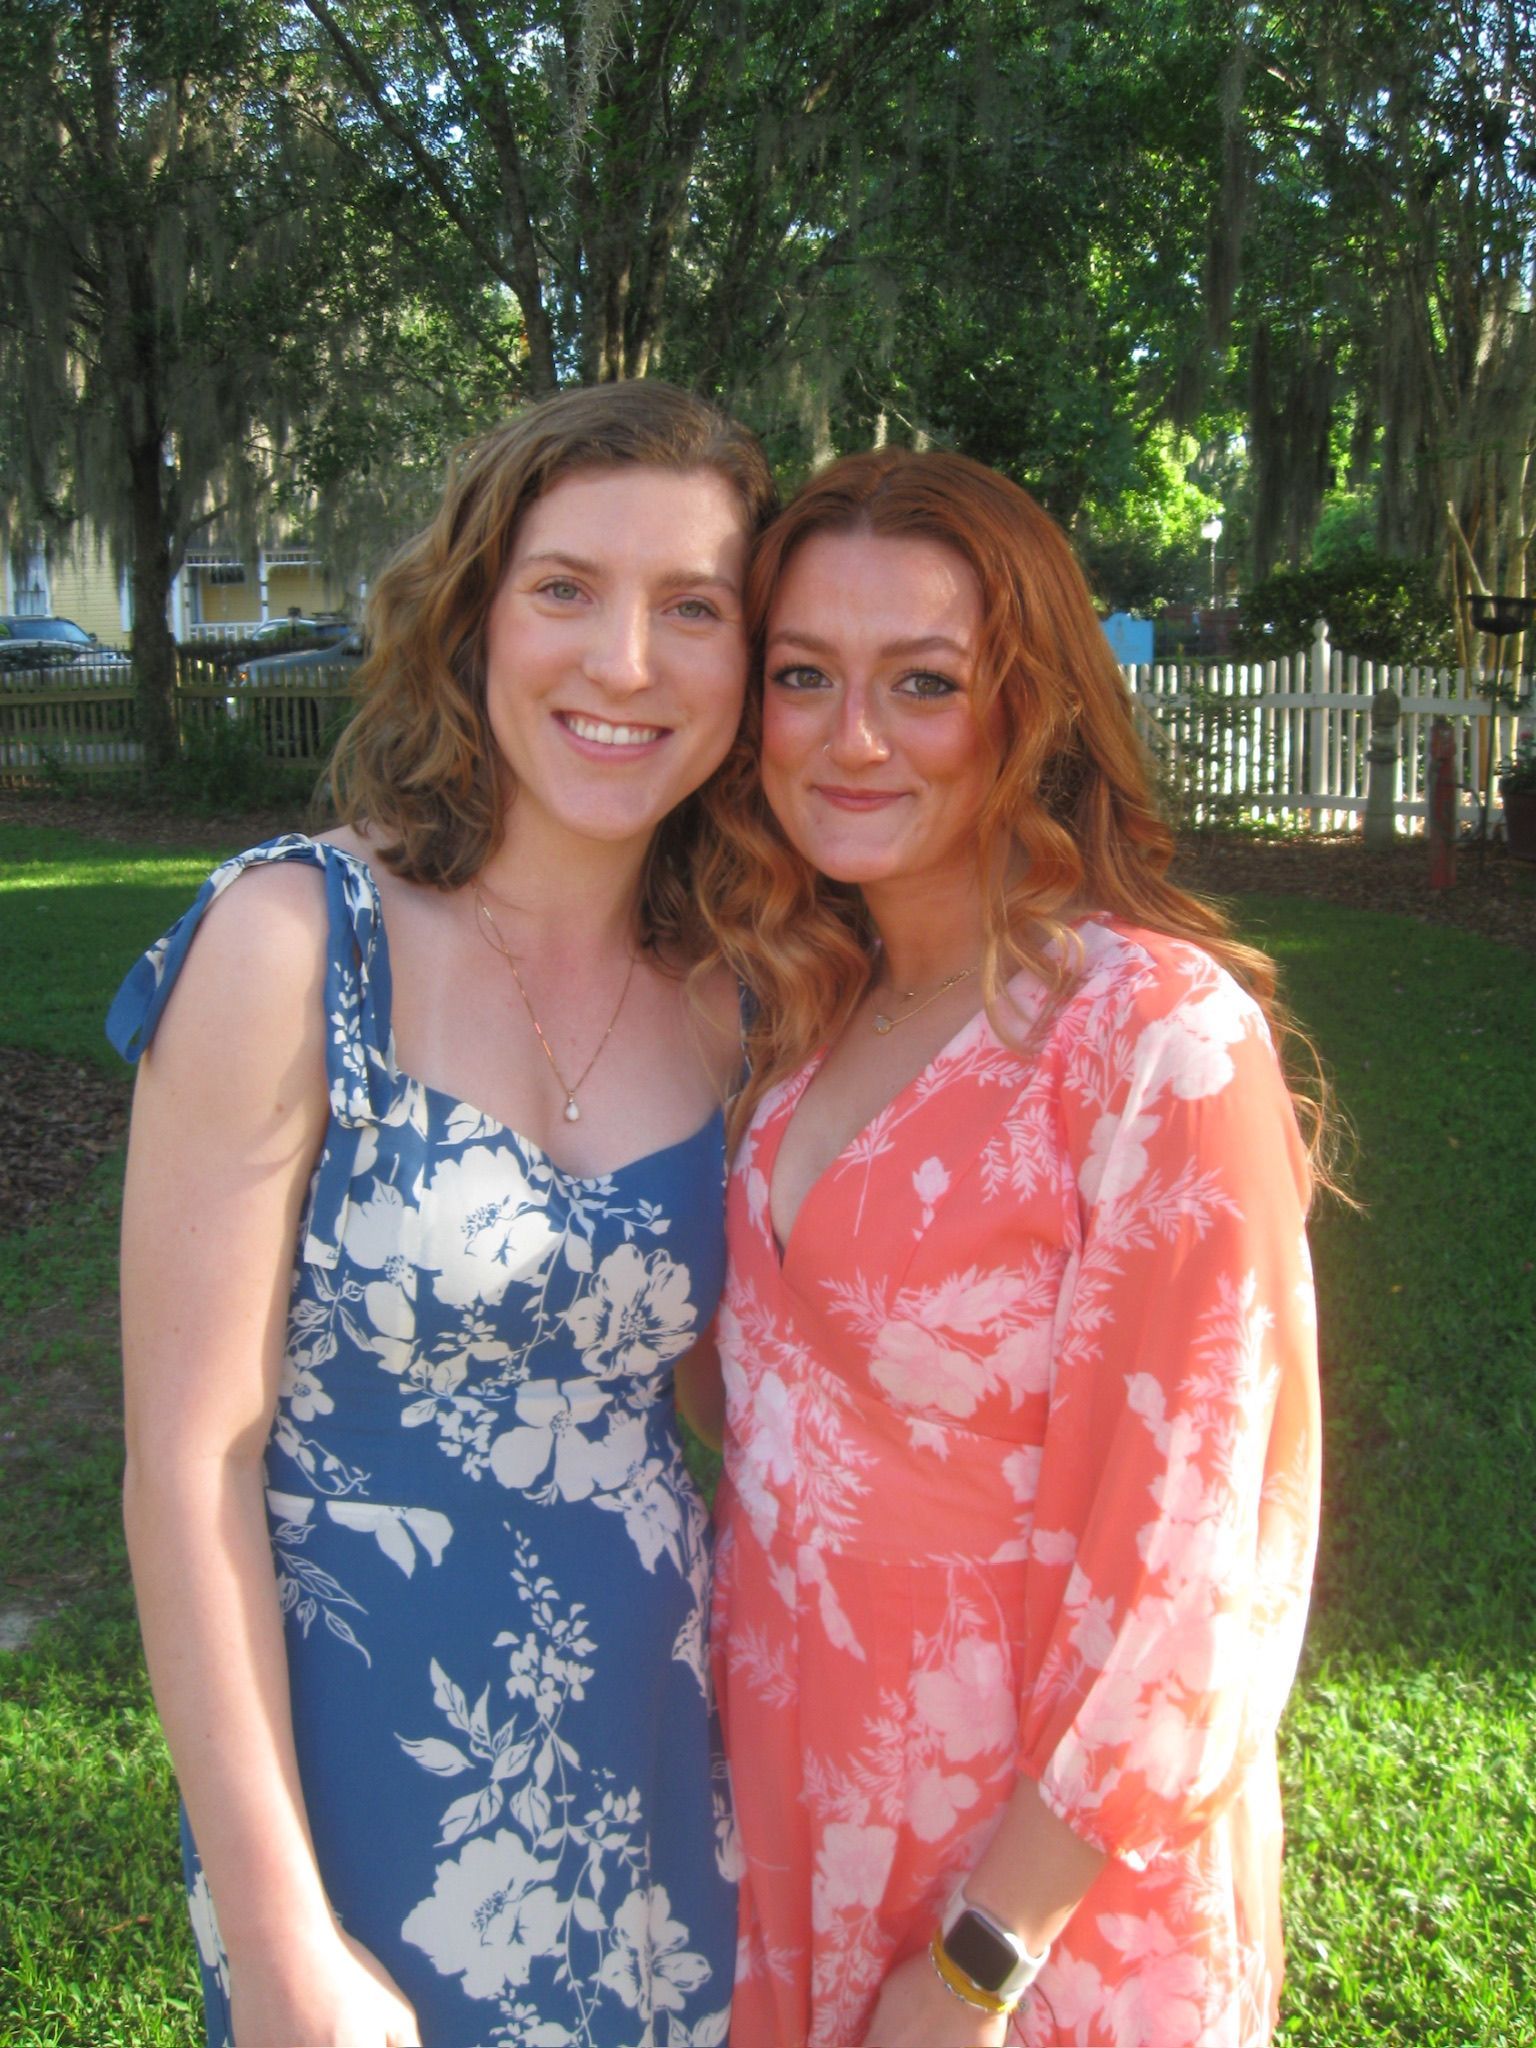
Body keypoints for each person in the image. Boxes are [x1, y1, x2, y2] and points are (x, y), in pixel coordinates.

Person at [107, 382, 776, 2048]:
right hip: (368, 1795)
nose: (626, 662)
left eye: (693, 607)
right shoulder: (293, 941)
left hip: (669, 1765)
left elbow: (755, 1410)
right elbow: (191, 1464)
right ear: (475, 615)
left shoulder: (735, 999)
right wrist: (278, 1944)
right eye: (565, 587)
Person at [697, 448, 1325, 2047]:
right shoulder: (799, 1015)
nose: (851, 738)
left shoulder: (1148, 1035)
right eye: (802, 677)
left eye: (923, 682)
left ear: (1027, 708)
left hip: (1042, 1910)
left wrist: (985, 1957)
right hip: (792, 1832)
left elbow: (1205, 1562)